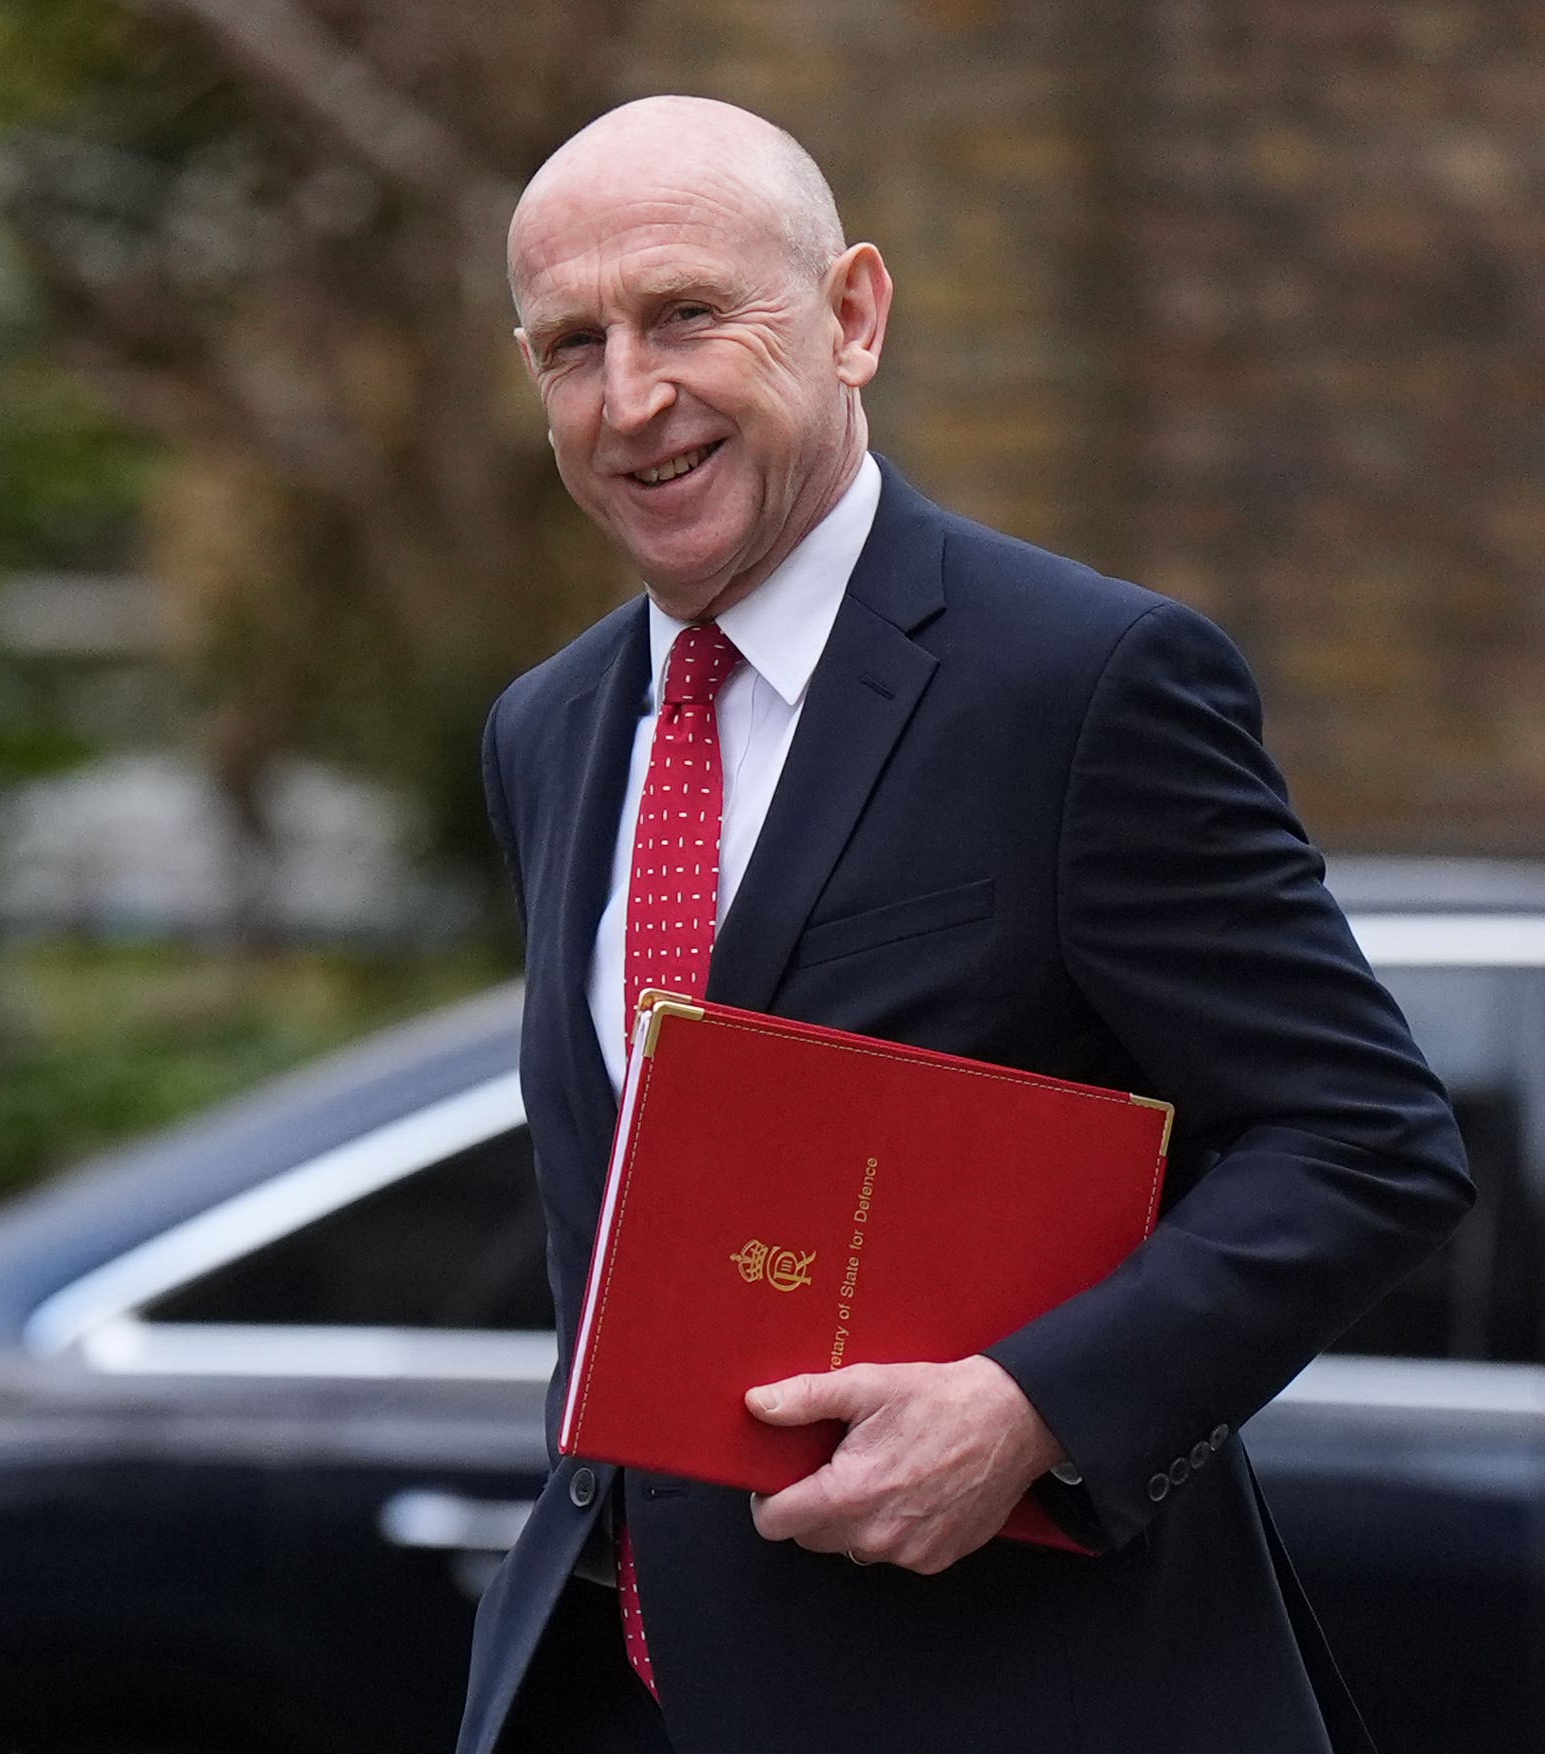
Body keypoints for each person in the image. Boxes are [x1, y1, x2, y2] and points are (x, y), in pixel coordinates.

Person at [463, 95, 1472, 1754]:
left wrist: (1029, 1411)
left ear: (853, 315)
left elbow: (1365, 1139)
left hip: (1009, 1692)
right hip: (613, 1685)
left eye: (689, 314)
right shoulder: (549, 730)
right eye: (573, 344)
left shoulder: (1082, 685)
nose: (630, 396)